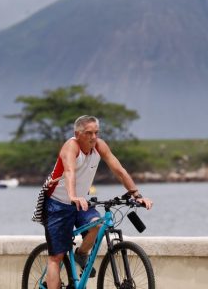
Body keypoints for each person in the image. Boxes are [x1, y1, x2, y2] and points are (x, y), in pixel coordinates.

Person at [43, 115, 153, 288]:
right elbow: (70, 172)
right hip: (57, 203)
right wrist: (73, 196)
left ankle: (81, 254)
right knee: (56, 257)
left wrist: (137, 196)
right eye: (88, 133)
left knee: (97, 225)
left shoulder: (99, 146)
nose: (93, 137)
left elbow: (119, 170)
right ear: (77, 133)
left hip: (81, 202)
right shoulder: (70, 147)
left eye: (96, 132)